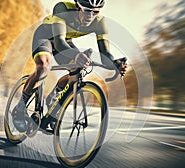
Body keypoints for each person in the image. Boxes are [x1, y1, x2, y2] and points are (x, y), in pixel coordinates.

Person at [12, 0, 128, 132]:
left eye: (95, 12)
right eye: (87, 11)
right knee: (43, 67)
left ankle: (54, 96)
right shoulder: (63, 9)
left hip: (65, 40)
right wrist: (77, 55)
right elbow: (59, 42)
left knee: (78, 69)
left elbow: (105, 54)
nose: (91, 16)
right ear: (78, 7)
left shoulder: (100, 22)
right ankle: (19, 109)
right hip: (46, 37)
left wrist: (115, 64)